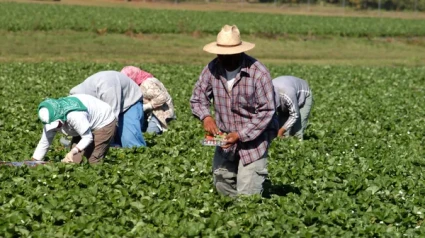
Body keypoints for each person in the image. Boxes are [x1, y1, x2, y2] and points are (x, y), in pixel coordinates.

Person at [190, 25, 278, 197]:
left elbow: (267, 110)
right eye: (220, 53)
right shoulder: (212, 69)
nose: (223, 58)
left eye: (228, 54)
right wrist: (206, 117)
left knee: (247, 195)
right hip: (224, 140)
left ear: (239, 52)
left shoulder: (258, 73)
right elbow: (198, 97)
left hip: (254, 142)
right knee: (222, 185)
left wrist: (240, 134)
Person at [69, 71, 146, 148]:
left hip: (130, 101)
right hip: (106, 100)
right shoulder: (75, 97)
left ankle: (136, 153)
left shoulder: (108, 89)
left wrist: (109, 142)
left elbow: (112, 117)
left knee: (130, 142)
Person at [31, 94, 116, 164]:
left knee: (92, 161)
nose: (56, 128)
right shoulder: (50, 118)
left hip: (102, 122)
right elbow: (45, 142)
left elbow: (87, 137)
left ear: (61, 116)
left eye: (57, 124)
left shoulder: (75, 116)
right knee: (74, 162)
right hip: (82, 125)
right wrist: (34, 162)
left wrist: (72, 152)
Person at [121, 66, 176, 135]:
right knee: (142, 131)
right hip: (151, 112)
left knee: (151, 133)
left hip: (161, 112)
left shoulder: (146, 84)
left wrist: (148, 106)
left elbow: (162, 97)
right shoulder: (141, 81)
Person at [272, 75, 313, 140]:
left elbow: (295, 115)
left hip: (303, 96)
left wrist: (280, 131)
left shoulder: (287, 93)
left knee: (297, 131)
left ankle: (298, 146)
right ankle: (285, 146)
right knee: (283, 131)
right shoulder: (265, 94)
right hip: (285, 96)